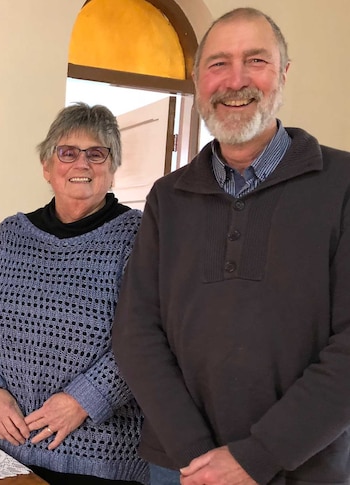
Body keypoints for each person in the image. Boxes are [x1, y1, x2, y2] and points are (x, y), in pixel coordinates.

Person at [112, 7, 350, 485]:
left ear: (283, 74)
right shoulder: (167, 196)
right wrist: (198, 456)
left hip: (302, 465)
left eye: (256, 61)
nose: (235, 80)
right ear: (197, 79)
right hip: (179, 465)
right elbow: (136, 333)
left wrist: (258, 455)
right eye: (218, 64)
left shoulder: (342, 184)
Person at [0, 102, 147, 484]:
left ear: (112, 168)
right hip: (3, 445)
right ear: (47, 166)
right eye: (67, 153)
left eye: (96, 154)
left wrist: (84, 400)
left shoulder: (140, 238)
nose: (82, 164)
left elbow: (151, 336)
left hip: (98, 456)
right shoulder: (9, 235)